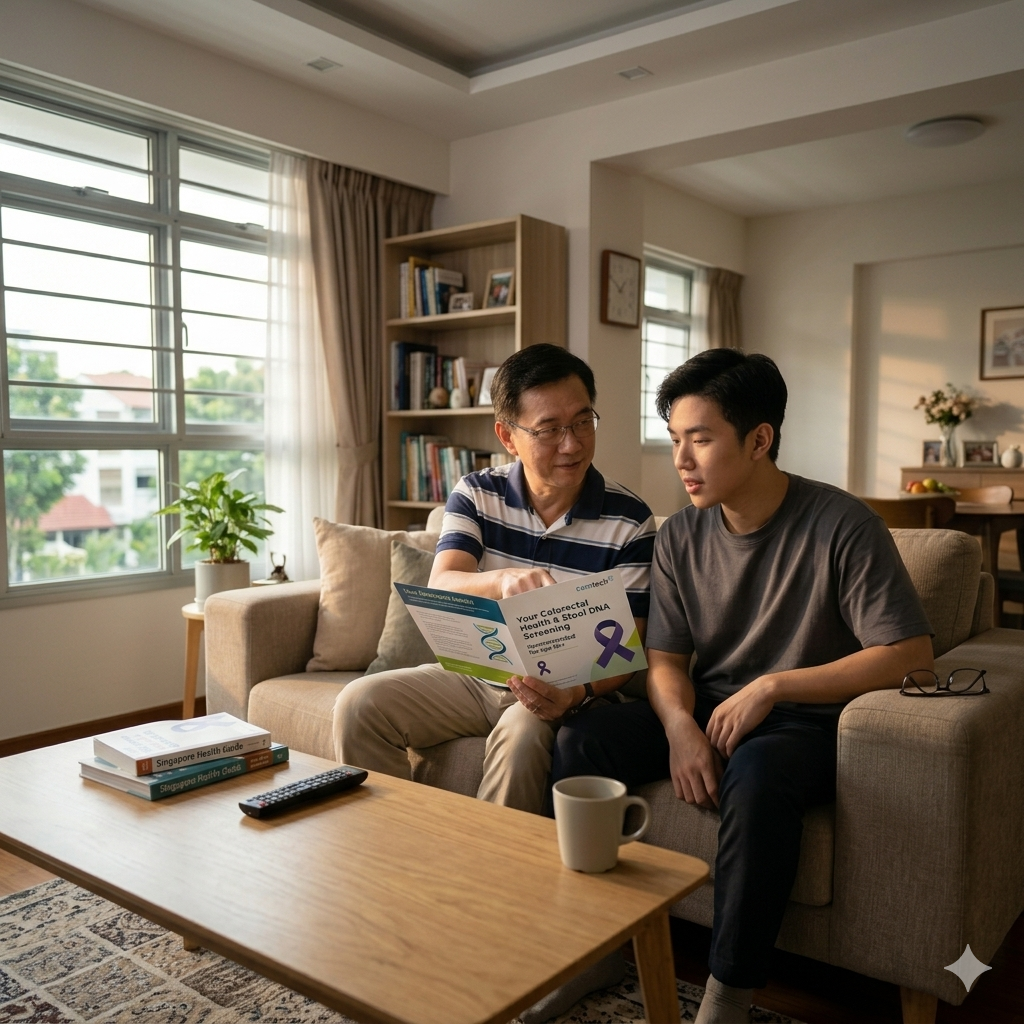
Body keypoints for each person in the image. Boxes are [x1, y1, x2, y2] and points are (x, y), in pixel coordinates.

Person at [552, 349, 933, 1024]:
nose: (682, 460)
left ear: (760, 440)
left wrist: (775, 687)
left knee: (756, 774)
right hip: (709, 707)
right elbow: (666, 658)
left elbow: (909, 654)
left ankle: (729, 995)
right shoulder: (679, 537)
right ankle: (597, 949)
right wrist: (679, 729)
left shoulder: (842, 525)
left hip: (801, 722)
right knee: (585, 738)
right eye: (675, 440)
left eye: (700, 439)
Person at [333, 344, 655, 817]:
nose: (572, 443)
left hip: (565, 691)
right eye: (549, 430)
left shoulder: (631, 521)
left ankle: (493, 882)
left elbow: (628, 650)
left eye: (583, 422)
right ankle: (394, 855)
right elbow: (444, 582)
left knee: (522, 735)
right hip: (476, 676)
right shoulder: (477, 493)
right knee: (359, 704)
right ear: (508, 435)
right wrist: (502, 581)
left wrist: (573, 694)